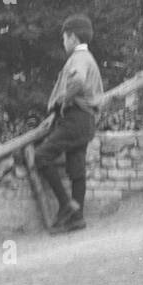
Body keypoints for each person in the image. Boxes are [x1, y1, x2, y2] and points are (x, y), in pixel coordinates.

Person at [35, 13, 105, 234]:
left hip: (75, 119)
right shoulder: (88, 57)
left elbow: (78, 80)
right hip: (85, 121)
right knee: (76, 169)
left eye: (64, 38)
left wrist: (62, 100)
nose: (63, 42)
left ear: (73, 38)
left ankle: (66, 205)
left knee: (41, 156)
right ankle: (77, 218)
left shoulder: (79, 58)